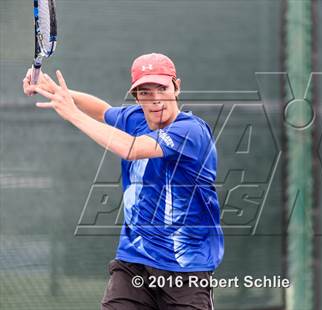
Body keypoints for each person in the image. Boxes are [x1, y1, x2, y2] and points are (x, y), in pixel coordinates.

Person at [23, 53, 224, 310]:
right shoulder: (136, 119)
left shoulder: (191, 131)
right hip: (134, 261)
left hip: (186, 268)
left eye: (161, 88)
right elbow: (102, 111)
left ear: (177, 86)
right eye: (144, 92)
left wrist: (72, 114)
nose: (155, 99)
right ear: (136, 97)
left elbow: (132, 149)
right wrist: (53, 90)